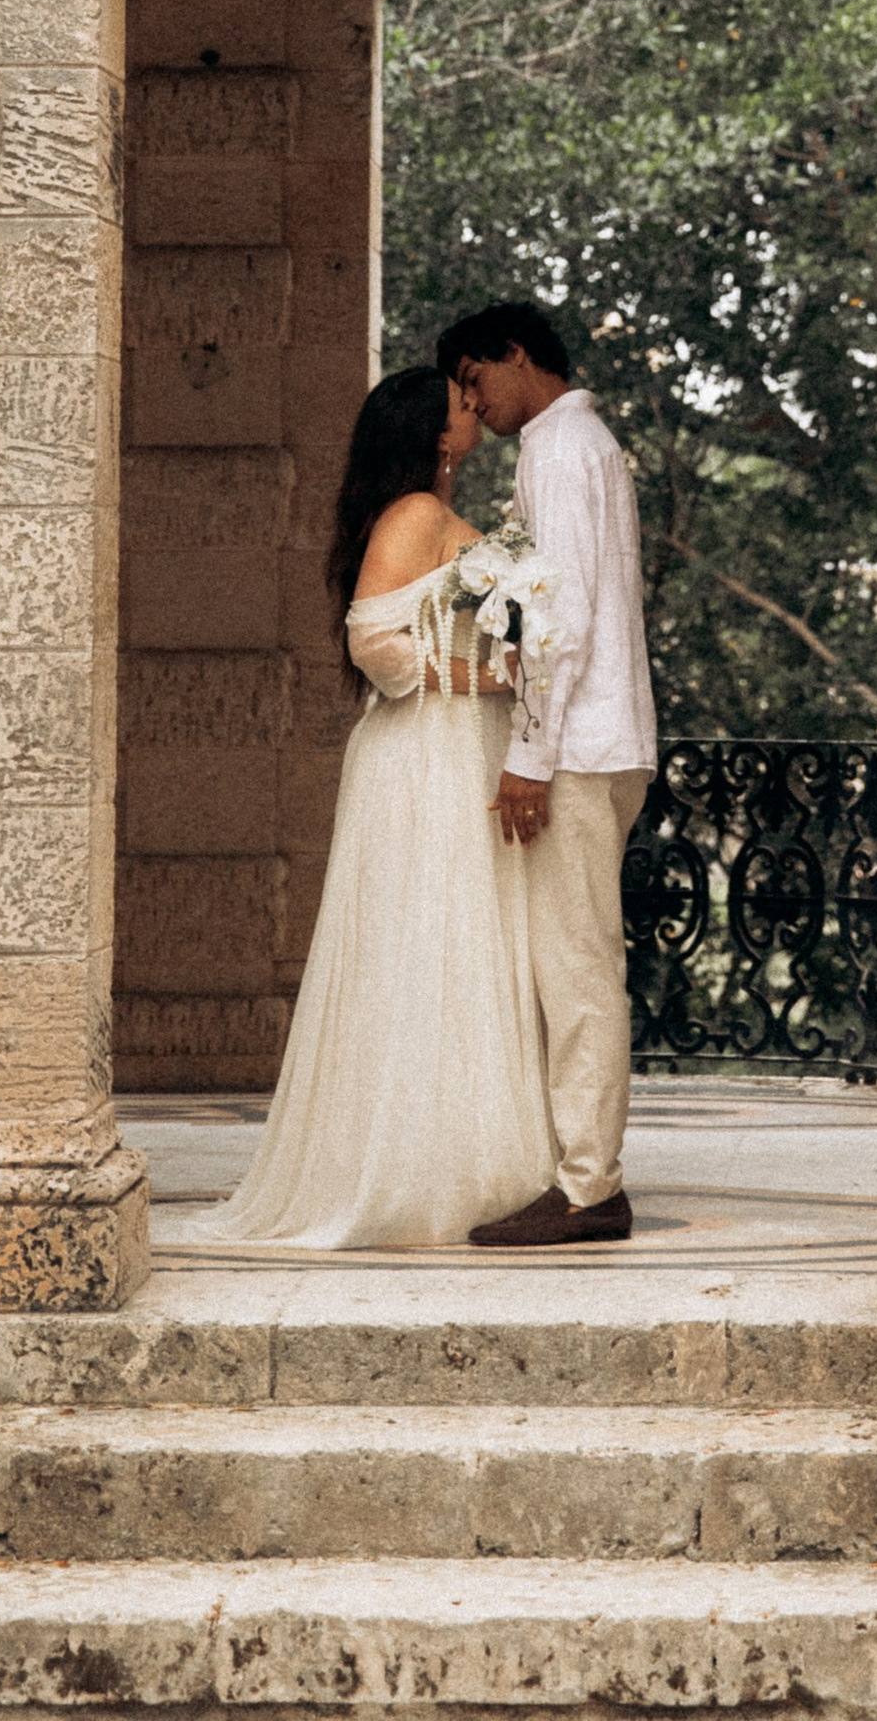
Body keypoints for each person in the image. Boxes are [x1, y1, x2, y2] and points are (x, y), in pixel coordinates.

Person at [194, 367, 557, 1252]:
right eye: (459, 404)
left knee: (465, 943)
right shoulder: (414, 517)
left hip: (457, 744)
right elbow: (375, 642)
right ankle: (413, 1170)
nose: (474, 406)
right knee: (429, 942)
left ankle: (467, 1156)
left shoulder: (430, 515)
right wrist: (489, 675)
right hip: (429, 750)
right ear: (435, 435)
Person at [435, 299, 657, 1247]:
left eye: (475, 381)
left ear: (517, 357)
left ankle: (586, 1188)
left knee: (575, 971)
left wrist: (528, 757)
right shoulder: (578, 445)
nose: (473, 405)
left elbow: (553, 619)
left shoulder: (562, 451)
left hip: (578, 747)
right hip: (602, 738)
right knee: (574, 964)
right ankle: (579, 1174)